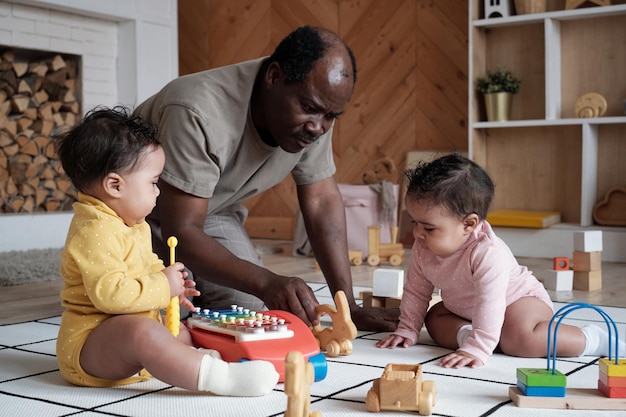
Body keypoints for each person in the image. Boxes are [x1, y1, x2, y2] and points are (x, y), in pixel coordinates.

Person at [133, 25, 398, 331]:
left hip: (211, 211)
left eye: (330, 116)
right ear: (274, 77)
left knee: (249, 309)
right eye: (310, 109)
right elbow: (180, 230)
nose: (319, 127)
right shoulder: (197, 110)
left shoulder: (316, 110)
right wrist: (267, 281)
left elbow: (322, 200)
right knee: (145, 319)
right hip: (135, 219)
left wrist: (347, 306)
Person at [55, 106, 279, 396]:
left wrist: (172, 286)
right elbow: (110, 295)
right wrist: (163, 285)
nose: (158, 191)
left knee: (180, 331)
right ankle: (221, 379)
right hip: (88, 346)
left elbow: (147, 267)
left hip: (123, 332)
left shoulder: (131, 224)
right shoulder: (94, 231)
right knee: (144, 334)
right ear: (115, 185)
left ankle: (204, 362)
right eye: (153, 183)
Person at [376, 153, 626, 368]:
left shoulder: (487, 253)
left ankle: (591, 338)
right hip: (468, 311)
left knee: (518, 340)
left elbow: (491, 300)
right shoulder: (423, 248)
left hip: (519, 302)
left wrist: (479, 348)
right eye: (414, 223)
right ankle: (475, 335)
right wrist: (407, 328)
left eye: (428, 228)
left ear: (469, 224)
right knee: (433, 318)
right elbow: (417, 291)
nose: (418, 233)